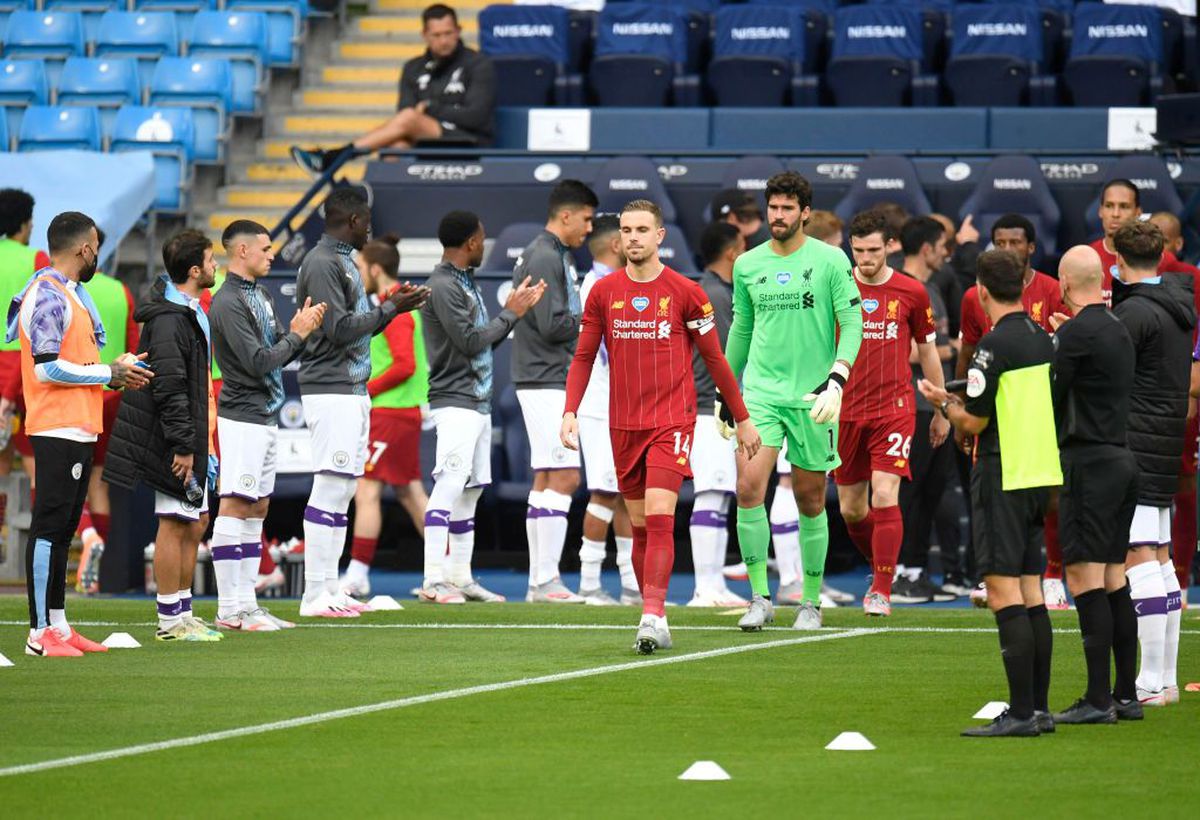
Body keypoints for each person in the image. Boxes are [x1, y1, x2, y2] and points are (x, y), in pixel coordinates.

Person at [561, 199, 760, 654]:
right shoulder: (603, 293)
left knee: (658, 515)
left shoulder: (687, 293)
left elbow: (715, 359)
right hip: (623, 425)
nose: (632, 237)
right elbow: (584, 356)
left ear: (659, 237)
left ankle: (650, 613)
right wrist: (571, 409)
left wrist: (742, 417)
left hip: (671, 422)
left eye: (641, 229)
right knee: (640, 525)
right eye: (626, 230)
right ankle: (658, 614)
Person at [918, 249, 1060, 738]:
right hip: (1040, 470)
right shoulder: (1043, 337)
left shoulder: (992, 347)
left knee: (1004, 592)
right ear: (1023, 285)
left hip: (1003, 471)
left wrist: (945, 403)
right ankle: (1039, 708)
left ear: (980, 292)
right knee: (1030, 589)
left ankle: (1020, 713)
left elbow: (975, 420)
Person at [723, 171, 863, 632]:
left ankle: (810, 600)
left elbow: (852, 323)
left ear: (805, 212)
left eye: (787, 208)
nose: (777, 216)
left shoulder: (830, 261)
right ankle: (760, 597)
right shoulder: (747, 264)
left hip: (813, 397)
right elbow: (742, 329)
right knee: (748, 488)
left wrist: (836, 379)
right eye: (772, 207)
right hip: (761, 394)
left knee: (808, 498)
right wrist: (729, 393)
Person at [8, 211, 151, 657]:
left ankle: (59, 624)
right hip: (56, 424)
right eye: (95, 247)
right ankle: (38, 633)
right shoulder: (49, 294)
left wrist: (113, 374)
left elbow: (75, 362)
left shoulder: (71, 294)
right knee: (50, 527)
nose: (96, 255)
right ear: (84, 248)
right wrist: (107, 371)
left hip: (78, 424)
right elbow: (46, 365)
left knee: (65, 525)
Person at [295, 187, 428, 618]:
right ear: (352, 221)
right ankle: (315, 593)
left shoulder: (343, 263)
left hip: (350, 388)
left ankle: (331, 588)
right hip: (331, 387)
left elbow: (351, 328)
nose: (369, 229)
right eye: (366, 221)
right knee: (332, 484)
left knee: (346, 487)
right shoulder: (322, 263)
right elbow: (336, 329)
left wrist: (389, 308)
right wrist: (389, 310)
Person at [421, 211, 544, 603]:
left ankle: (459, 576)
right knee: (450, 483)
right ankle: (432, 579)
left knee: (471, 490)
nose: (484, 244)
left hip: (476, 399)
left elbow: (478, 340)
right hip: (454, 399)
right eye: (482, 237)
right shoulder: (442, 285)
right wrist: (512, 312)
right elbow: (472, 341)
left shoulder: (463, 283)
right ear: (471, 243)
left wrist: (509, 314)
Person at [209, 220, 325, 631]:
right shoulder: (226, 302)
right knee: (236, 503)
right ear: (242, 251)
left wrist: (302, 330)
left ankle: (247, 603)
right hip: (242, 414)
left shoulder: (259, 293)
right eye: (265, 248)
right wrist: (296, 336)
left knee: (258, 505)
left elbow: (280, 344)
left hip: (265, 414)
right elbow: (260, 361)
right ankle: (228, 608)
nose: (272, 254)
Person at [107, 229, 221, 642]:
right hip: (180, 440)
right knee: (174, 521)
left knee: (195, 521)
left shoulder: (189, 312)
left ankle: (184, 611)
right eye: (210, 261)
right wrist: (182, 446)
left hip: (198, 434)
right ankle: (170, 620)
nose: (215, 266)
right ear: (194, 270)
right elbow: (171, 386)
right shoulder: (172, 319)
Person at [1046, 245, 1141, 724]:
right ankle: (1125, 695)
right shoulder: (1117, 327)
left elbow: (1051, 397)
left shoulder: (1076, 335)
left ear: (1063, 283)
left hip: (1088, 463)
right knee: (1113, 578)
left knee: (1085, 579)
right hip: (1122, 459)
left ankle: (1097, 699)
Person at [838, 212, 948, 617]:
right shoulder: (837, 286)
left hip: (894, 408)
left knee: (885, 493)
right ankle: (881, 565)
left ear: (890, 247)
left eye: (873, 249)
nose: (865, 258)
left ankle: (881, 590)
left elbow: (930, 351)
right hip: (845, 411)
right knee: (852, 508)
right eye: (858, 250)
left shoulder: (911, 291)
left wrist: (941, 409)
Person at [957, 214, 1067, 609]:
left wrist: (951, 410)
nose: (1007, 250)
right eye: (999, 243)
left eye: (1015, 242)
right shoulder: (973, 303)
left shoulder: (1051, 290)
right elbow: (967, 352)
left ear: (1031, 247)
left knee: (1026, 505)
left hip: (1030, 422)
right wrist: (960, 400)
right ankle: (1017, 577)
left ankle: (1052, 573)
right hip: (995, 414)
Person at [1109, 220, 1193, 707]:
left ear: (1118, 260)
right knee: (1159, 557)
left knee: (1138, 555)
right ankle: (1165, 680)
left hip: (1135, 442)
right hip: (1164, 439)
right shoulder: (1179, 306)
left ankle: (1151, 681)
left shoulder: (1136, 312)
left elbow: (1110, 373)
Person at [511, 179, 597, 604]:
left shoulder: (550, 253)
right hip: (545, 376)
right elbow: (551, 324)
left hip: (542, 375)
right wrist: (592, 319)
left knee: (547, 476)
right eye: (585, 219)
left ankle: (538, 581)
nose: (589, 228)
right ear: (566, 215)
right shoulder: (546, 255)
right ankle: (546, 580)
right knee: (564, 475)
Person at [290, 3, 496, 175]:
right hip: (424, 139)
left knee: (408, 119)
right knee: (393, 151)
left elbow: (476, 117)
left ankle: (336, 156)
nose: (443, 40)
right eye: (436, 35)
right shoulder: (413, 67)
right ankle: (377, 214)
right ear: (424, 34)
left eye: (448, 33)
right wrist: (423, 115)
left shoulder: (478, 64)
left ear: (459, 31)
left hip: (469, 141)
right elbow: (404, 112)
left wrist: (430, 108)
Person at [341, 235, 431, 598]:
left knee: (366, 490)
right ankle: (447, 567)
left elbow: (405, 365)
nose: (358, 273)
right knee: (410, 493)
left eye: (361, 268)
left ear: (375, 269)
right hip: (400, 412)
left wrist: (366, 389)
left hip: (391, 413)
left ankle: (359, 573)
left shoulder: (396, 306)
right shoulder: (393, 302)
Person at [575, 215, 640, 606]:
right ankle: (588, 583)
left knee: (624, 492)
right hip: (601, 404)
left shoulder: (610, 283)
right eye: (628, 234)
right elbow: (607, 350)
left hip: (620, 403)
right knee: (604, 491)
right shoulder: (599, 287)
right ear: (616, 243)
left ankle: (631, 583)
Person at [686, 221, 749, 608]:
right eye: (744, 246)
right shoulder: (713, 294)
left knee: (721, 494)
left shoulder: (717, 290)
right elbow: (724, 357)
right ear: (731, 253)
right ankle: (704, 587)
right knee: (711, 491)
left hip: (715, 405)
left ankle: (714, 584)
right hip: (710, 406)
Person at [73, 228, 139, 595]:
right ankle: (95, 576)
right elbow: (133, 348)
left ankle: (87, 534)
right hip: (111, 396)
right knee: (98, 481)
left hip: (73, 394)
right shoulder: (119, 291)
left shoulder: (62, 289)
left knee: (46, 477)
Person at [1149, 211, 1199, 601]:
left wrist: (1191, 393)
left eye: (1166, 241)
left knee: (1182, 484)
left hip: (1183, 395)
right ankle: (1152, 573)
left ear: (1178, 244)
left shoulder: (1190, 277)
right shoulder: (1129, 275)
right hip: (1144, 397)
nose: (1161, 250)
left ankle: (1180, 578)